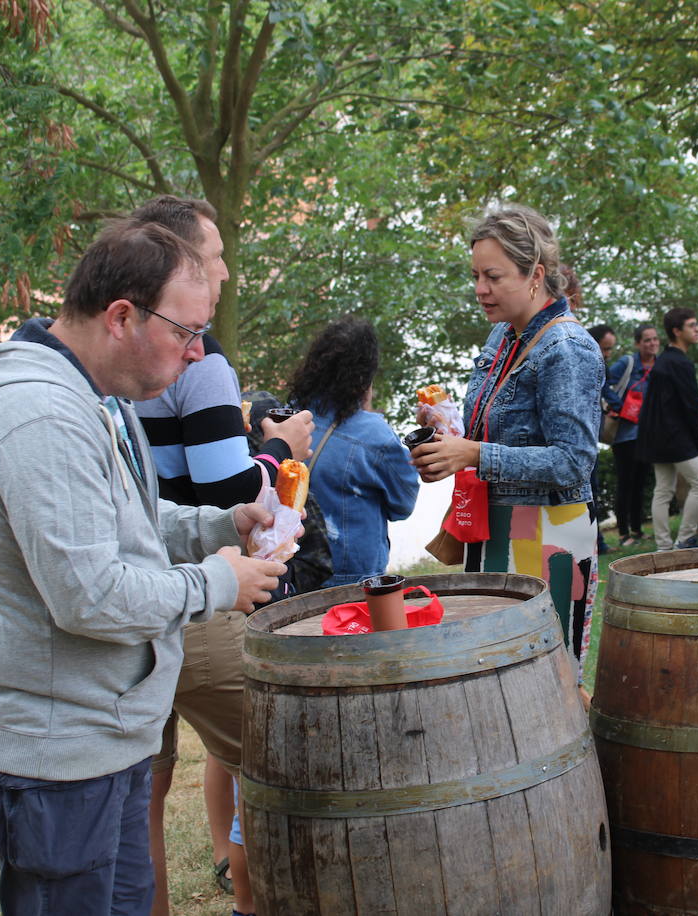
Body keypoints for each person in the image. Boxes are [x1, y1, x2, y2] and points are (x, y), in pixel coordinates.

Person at [0, 219, 288, 916]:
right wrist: (220, 581)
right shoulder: (40, 414)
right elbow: (90, 595)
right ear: (122, 316)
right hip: (52, 761)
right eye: (187, 333)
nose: (198, 355)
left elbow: (126, 522)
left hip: (102, 742)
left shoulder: (98, 402)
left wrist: (220, 523)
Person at [130, 196, 311, 916]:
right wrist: (280, 449)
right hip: (201, 604)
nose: (227, 271)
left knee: (141, 792)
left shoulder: (115, 378)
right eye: (214, 255)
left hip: (142, 604)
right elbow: (225, 488)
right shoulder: (201, 363)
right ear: (178, 264)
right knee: (276, 765)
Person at [410, 203, 603, 670]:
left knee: (546, 674)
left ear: (535, 274)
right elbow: (501, 427)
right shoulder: (503, 335)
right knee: (494, 669)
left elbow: (572, 462)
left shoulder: (568, 348)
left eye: (493, 276)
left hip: (550, 533)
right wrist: (448, 433)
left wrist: (473, 452)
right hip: (492, 527)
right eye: (476, 275)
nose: (480, 289)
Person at [284, 316, 419, 586]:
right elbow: (403, 504)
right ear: (364, 376)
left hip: (294, 571)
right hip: (352, 581)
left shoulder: (290, 417)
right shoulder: (374, 436)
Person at [636, 307, 698, 551]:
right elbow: (689, 406)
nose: (697, 329)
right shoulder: (678, 363)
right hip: (674, 437)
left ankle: (664, 547)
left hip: (658, 437)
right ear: (677, 331)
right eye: (692, 325)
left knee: (663, 490)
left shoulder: (665, 362)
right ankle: (685, 540)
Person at [605, 323, 659, 546]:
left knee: (640, 483)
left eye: (655, 339)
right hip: (624, 434)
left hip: (648, 434)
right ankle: (623, 533)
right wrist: (618, 405)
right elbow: (603, 383)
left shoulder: (660, 365)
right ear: (638, 343)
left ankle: (637, 530)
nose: (652, 343)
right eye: (647, 340)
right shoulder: (627, 363)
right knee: (625, 483)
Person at [588, 322, 617, 553]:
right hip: (584, 439)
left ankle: (598, 542)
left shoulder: (600, 366)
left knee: (593, 489)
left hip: (593, 438)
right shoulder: (584, 362)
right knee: (589, 489)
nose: (606, 354)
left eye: (609, 350)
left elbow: (608, 393)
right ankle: (596, 542)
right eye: (604, 348)